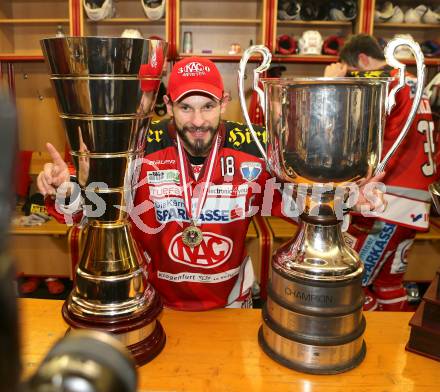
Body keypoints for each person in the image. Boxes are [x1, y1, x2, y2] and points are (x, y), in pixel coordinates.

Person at [38, 56, 383, 311]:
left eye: (208, 106)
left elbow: (301, 204)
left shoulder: (256, 148)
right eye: (186, 108)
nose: (198, 121)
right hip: (156, 303)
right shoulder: (139, 148)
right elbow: (94, 214)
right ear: (168, 105)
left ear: (225, 103)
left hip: (233, 305)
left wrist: (345, 195)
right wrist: (67, 188)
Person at [325, 34, 439, 311]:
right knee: (389, 283)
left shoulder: (385, 82)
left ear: (362, 59)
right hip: (416, 197)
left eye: (355, 72)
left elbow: (344, 127)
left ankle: (371, 344)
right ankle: (394, 348)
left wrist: (333, 82)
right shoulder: (413, 79)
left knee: (352, 285)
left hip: (389, 201)